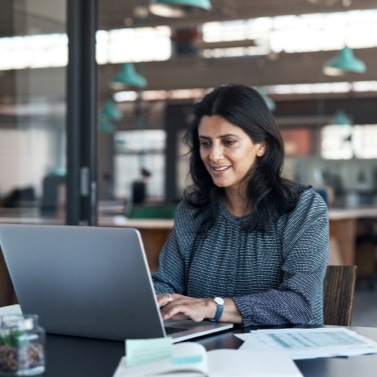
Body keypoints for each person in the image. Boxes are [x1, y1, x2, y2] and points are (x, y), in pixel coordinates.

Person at [152, 83, 329, 327]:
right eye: (205, 143)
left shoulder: (302, 208)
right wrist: (159, 298)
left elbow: (299, 304)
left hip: (283, 357)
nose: (213, 155)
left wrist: (212, 307)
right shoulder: (192, 211)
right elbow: (166, 282)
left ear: (261, 145)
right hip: (207, 352)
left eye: (228, 141)